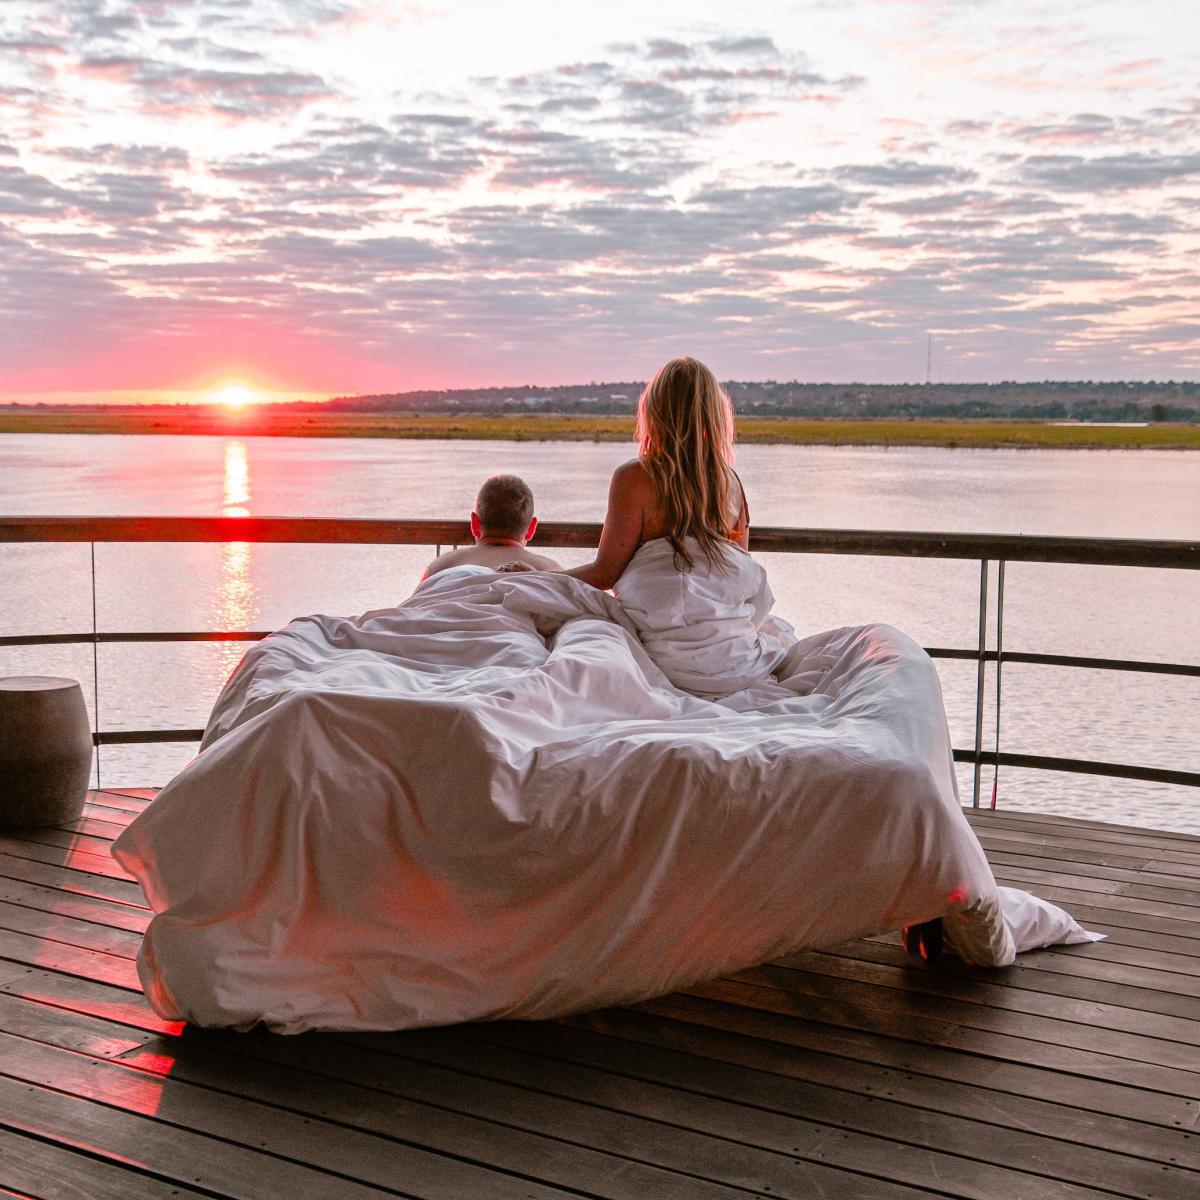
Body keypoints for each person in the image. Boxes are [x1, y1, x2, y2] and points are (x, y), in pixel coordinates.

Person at [499, 356, 748, 589]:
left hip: (654, 613)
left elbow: (605, 574)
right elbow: (740, 569)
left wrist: (536, 577)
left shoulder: (635, 477)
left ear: (655, 411)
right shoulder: (732, 482)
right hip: (721, 614)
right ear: (715, 415)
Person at [421, 474, 561, 581]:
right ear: (531, 529)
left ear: (474, 524)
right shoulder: (552, 573)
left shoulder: (438, 569)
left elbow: (415, 605)